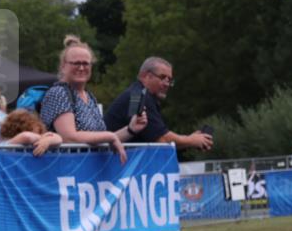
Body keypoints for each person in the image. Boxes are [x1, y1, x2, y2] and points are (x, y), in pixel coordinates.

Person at [40, 35, 146, 164]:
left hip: (87, 174)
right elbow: (69, 138)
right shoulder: (58, 93)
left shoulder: (90, 97)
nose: (81, 67)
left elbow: (100, 139)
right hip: (64, 172)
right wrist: (109, 136)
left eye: (85, 63)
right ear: (63, 66)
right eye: (76, 63)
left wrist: (130, 129)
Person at [103, 57, 213, 151]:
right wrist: (191, 140)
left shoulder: (137, 93)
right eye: (162, 77)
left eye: (169, 80)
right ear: (146, 76)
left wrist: (190, 139)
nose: (167, 84)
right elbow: (162, 139)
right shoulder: (140, 97)